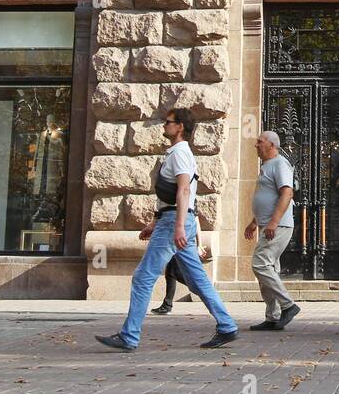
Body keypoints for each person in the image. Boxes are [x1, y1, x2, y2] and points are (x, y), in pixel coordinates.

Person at [97, 108, 239, 351]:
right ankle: (226, 326)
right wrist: (155, 223)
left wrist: (178, 226)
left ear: (180, 127)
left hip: (175, 223)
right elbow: (174, 195)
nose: (164, 125)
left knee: (143, 277)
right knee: (197, 280)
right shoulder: (176, 153)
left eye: (168, 122)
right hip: (174, 221)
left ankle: (129, 336)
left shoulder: (180, 153)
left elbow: (184, 191)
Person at [244, 130, 300, 332]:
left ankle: (288, 305)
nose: (256, 145)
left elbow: (287, 192)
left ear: (272, 145)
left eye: (260, 142)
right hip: (268, 225)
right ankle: (273, 316)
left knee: (260, 264)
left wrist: (273, 223)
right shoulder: (267, 165)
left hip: (278, 226)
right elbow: (266, 196)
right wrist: (254, 221)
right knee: (269, 268)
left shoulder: (279, 163)